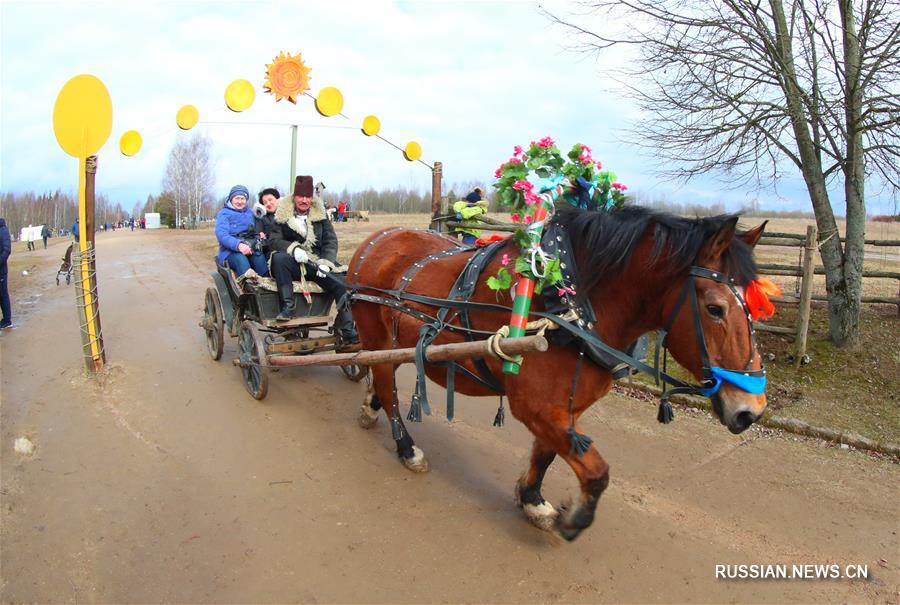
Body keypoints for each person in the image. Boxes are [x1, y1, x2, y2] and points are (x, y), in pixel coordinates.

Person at [268, 175, 358, 347]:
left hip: (317, 264)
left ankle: (347, 328)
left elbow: (330, 241)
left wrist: (326, 261)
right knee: (278, 259)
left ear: (312, 198)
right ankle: (288, 308)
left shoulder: (321, 216)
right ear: (294, 197)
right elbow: (273, 241)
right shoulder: (282, 216)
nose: (304, 200)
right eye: (300, 196)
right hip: (293, 263)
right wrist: (293, 249)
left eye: (307, 197)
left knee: (344, 282)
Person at [214, 184, 269, 284]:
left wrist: (260, 234)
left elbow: (255, 228)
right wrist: (238, 245)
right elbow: (222, 235)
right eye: (237, 198)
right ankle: (249, 291)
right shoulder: (224, 213)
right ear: (231, 199)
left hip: (250, 247)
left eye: (242, 198)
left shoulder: (250, 212)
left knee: (260, 257)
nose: (240, 201)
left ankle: (266, 287)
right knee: (241, 260)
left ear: (246, 200)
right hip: (230, 251)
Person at [253, 186, 280, 258]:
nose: (268, 204)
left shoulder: (287, 213)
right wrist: (260, 236)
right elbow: (258, 234)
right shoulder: (261, 218)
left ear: (278, 199)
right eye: (265, 202)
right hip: (271, 251)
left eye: (270, 200)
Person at [0, 218, 11, 329]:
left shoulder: (3, 230)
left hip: (1, 271)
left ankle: (7, 320)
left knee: (3, 295)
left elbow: (7, 250)